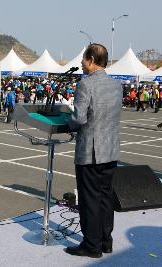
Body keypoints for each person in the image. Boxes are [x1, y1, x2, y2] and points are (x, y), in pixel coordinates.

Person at [65, 44, 122, 258]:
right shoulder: (117, 85)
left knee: (89, 200)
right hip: (110, 150)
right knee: (106, 198)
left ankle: (91, 246)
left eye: (82, 59)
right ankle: (106, 241)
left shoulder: (85, 85)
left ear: (90, 59)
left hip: (91, 152)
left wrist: (68, 123)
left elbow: (79, 118)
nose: (81, 63)